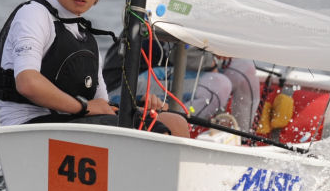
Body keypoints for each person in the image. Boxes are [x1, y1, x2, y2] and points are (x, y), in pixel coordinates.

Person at [0, 0, 189, 137]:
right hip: (30, 128)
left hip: (70, 122)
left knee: (174, 122)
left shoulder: (86, 38)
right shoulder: (34, 14)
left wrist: (139, 106)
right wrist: (84, 108)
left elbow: (103, 106)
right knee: (156, 132)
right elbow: (27, 83)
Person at [103, 34, 260, 133]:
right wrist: (213, 55)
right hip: (124, 84)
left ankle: (243, 137)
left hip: (167, 67)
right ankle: (182, 132)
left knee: (244, 68)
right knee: (219, 85)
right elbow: (181, 50)